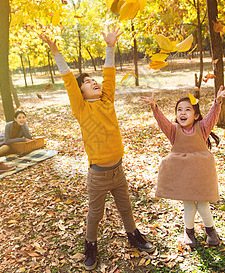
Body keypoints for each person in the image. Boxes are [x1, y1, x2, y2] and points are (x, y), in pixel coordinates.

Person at [40, 26, 154, 271]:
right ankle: (90, 244)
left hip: (118, 171)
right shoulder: (81, 109)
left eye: (94, 80)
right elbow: (69, 81)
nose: (93, 82)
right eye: (88, 82)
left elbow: (109, 73)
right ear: (81, 93)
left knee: (126, 208)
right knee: (95, 214)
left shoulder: (107, 100)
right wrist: (55, 51)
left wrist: (110, 46)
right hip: (99, 175)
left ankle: (133, 235)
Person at [140, 86, 225, 248]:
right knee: (189, 205)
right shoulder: (173, 131)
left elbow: (212, 117)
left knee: (203, 205)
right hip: (184, 175)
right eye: (179, 110)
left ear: (196, 115)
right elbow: (162, 122)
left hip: (201, 175)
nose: (182, 113)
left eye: (187, 110)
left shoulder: (202, 128)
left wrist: (217, 101)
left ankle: (211, 231)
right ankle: (189, 232)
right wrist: (154, 108)